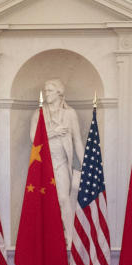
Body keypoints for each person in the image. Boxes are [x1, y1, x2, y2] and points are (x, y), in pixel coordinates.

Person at [29, 78, 84, 245]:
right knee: (43, 201)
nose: (47, 93)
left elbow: (78, 141)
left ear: (59, 93)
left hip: (61, 162)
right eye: (45, 90)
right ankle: (47, 236)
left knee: (63, 198)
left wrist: (85, 165)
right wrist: (53, 132)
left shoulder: (70, 114)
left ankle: (68, 235)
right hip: (43, 164)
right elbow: (34, 138)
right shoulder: (38, 113)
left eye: (50, 90)